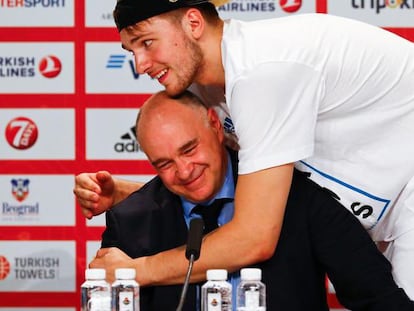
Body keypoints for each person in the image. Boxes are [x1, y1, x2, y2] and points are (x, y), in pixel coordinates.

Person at [74, 0, 414, 297]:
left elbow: (254, 237)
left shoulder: (262, 73)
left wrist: (138, 270)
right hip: (385, 203)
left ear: (193, 23)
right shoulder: (211, 82)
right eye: (131, 51)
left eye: (147, 43)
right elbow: (240, 191)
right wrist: (130, 195)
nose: (140, 64)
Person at [92, 90, 414, 310]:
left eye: (190, 149)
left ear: (216, 127)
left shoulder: (295, 195)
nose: (185, 170)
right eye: (164, 164)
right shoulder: (132, 219)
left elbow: (376, 295)